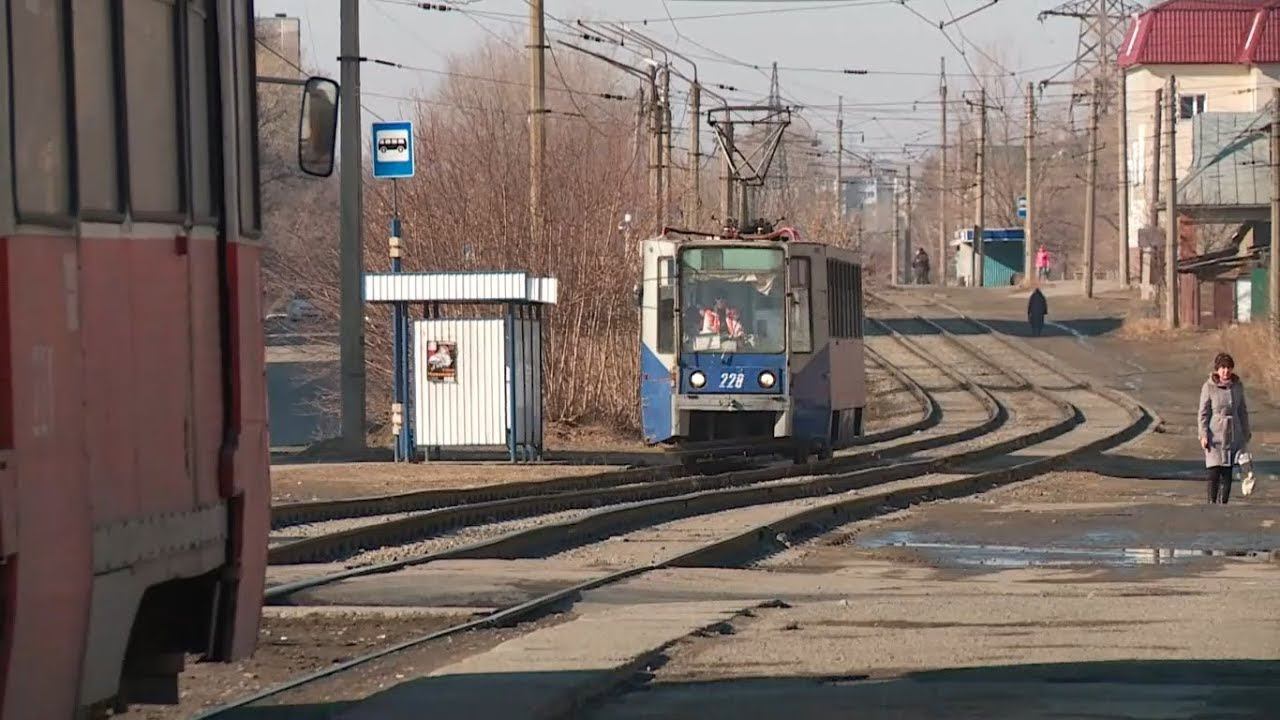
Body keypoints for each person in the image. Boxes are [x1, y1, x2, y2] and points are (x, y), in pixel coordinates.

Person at [1199, 352, 1250, 505]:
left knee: (1227, 471)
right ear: (1217, 369)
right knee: (1214, 470)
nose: (1225, 371)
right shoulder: (1209, 387)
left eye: (1228, 368)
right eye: (1222, 367)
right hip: (1214, 433)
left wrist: (1246, 433)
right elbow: (1203, 412)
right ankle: (1211, 502)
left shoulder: (1237, 386)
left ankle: (1223, 504)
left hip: (1233, 432)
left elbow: (1242, 410)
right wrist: (1203, 434)